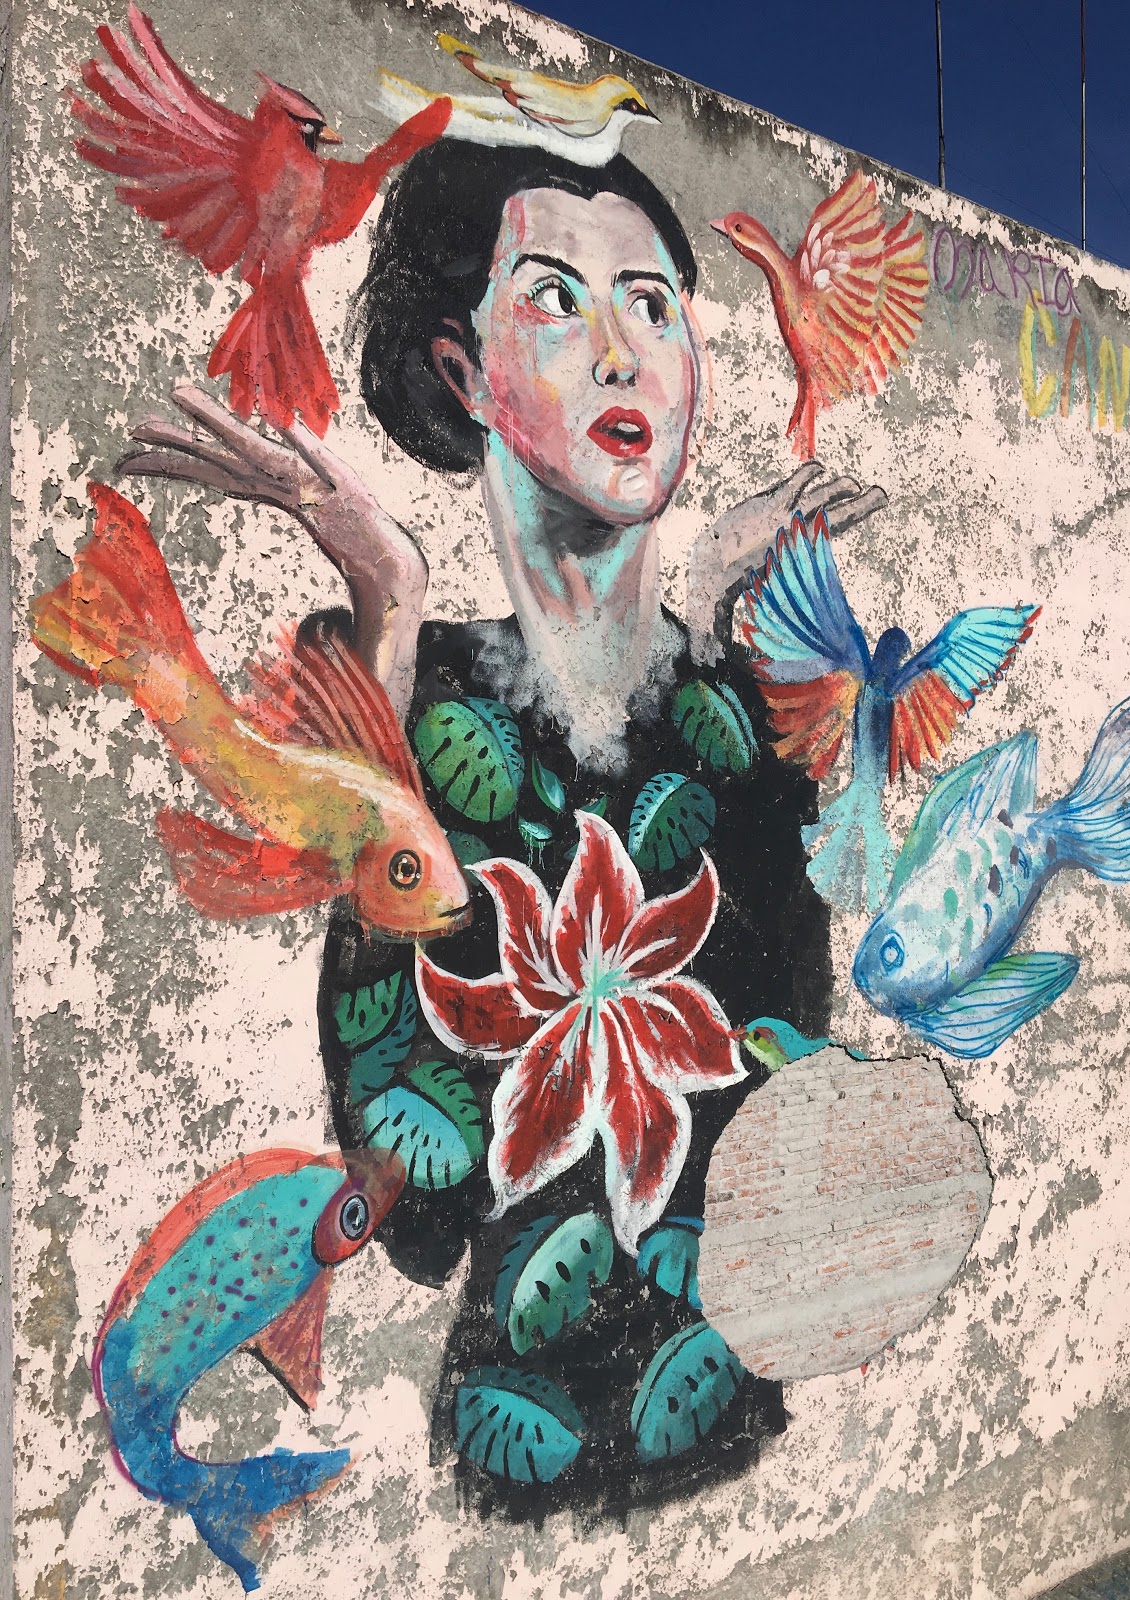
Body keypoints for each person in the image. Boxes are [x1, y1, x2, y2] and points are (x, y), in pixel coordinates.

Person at [120, 139, 888, 1519]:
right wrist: (388, 606)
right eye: (555, 299)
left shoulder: (729, 711)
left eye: (653, 306)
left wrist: (720, 620)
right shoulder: (416, 685)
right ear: (462, 372)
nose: (621, 354)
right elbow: (409, 1181)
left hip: (752, 1420)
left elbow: (790, 1047)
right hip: (514, 1446)